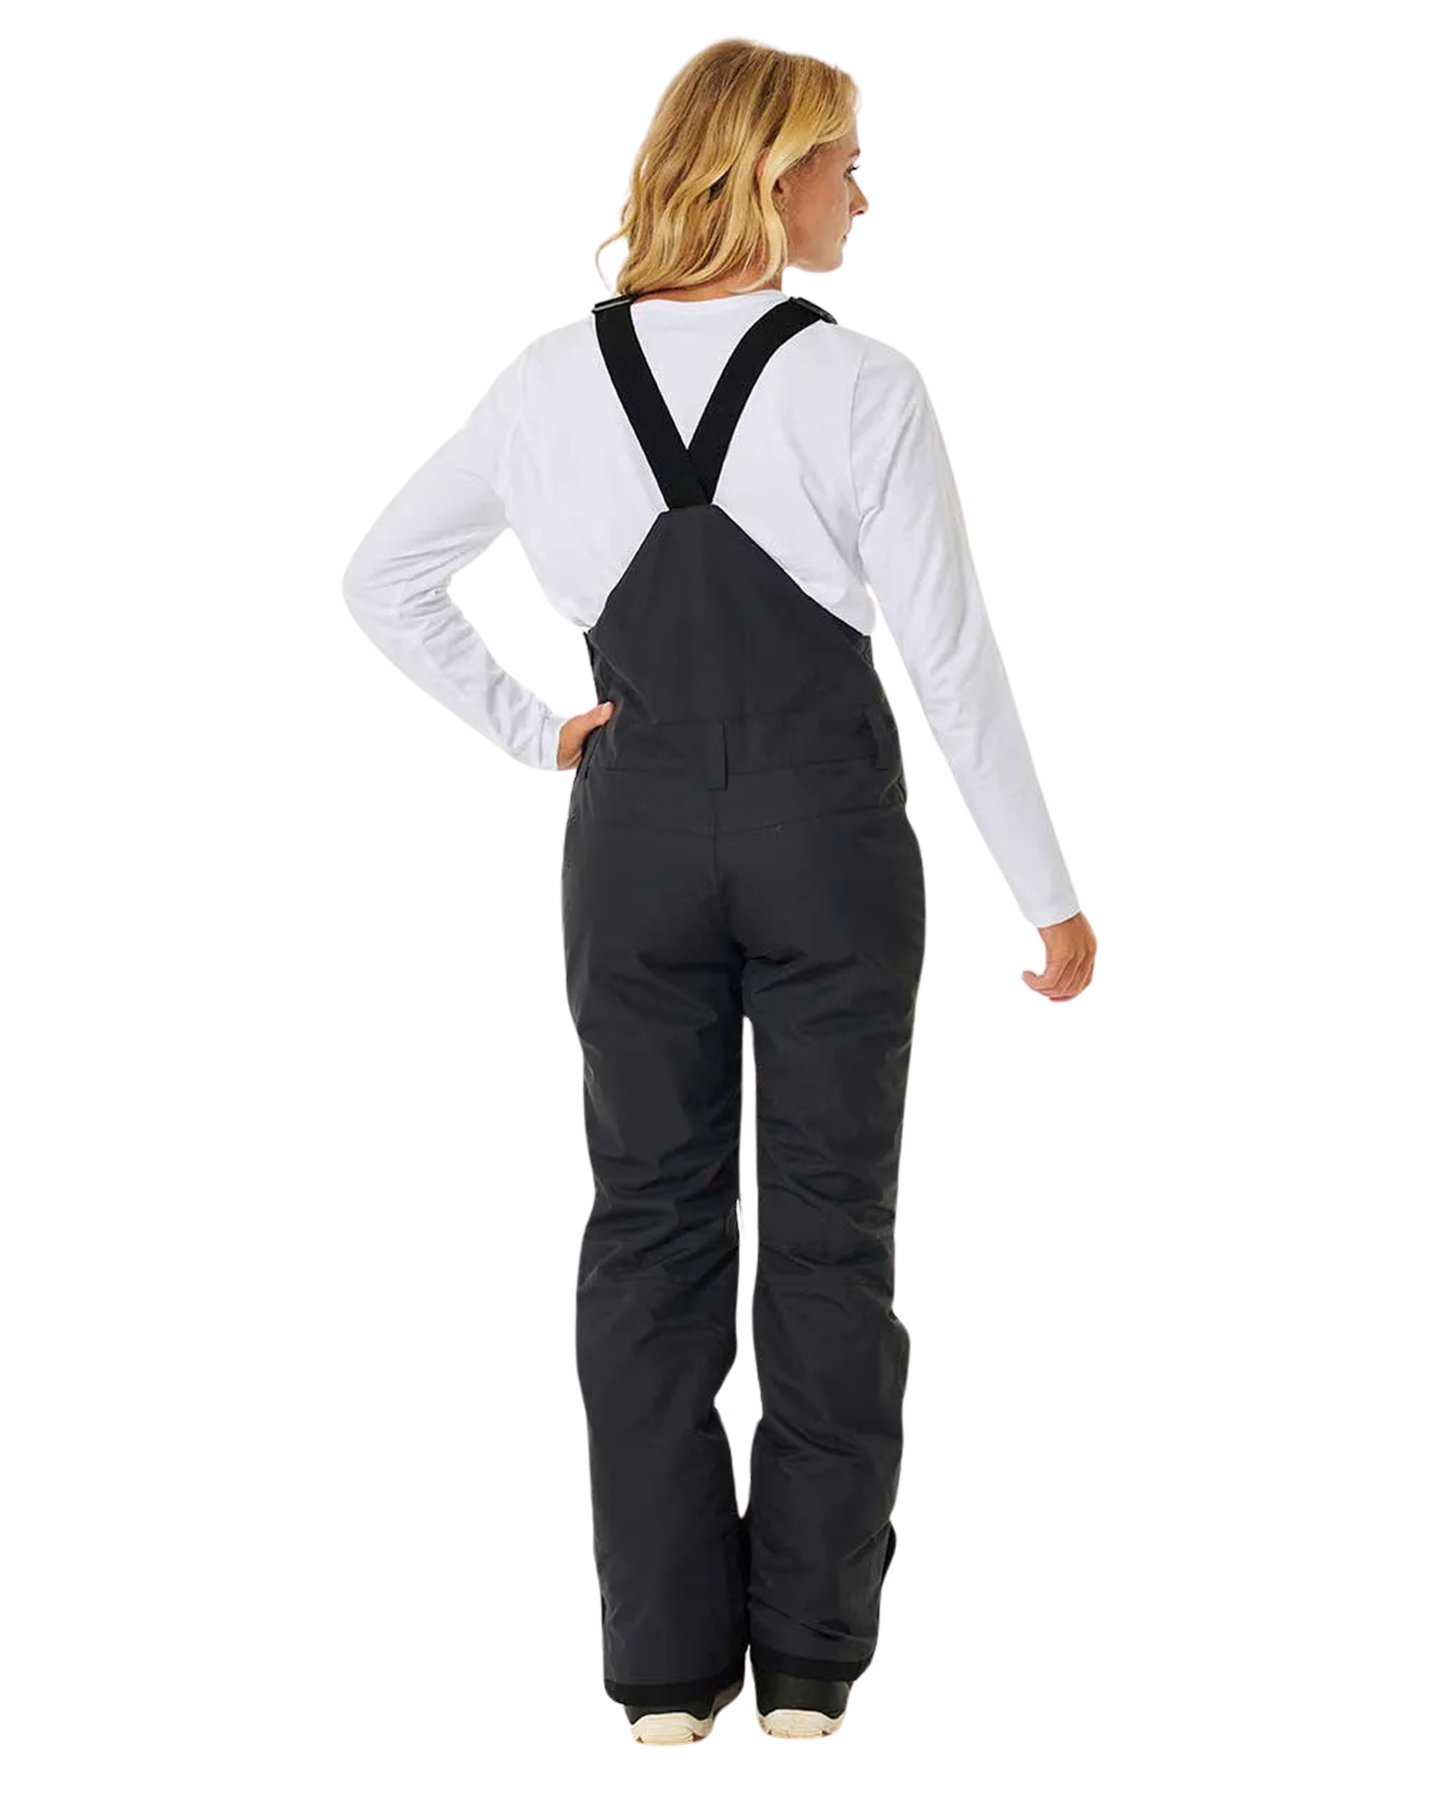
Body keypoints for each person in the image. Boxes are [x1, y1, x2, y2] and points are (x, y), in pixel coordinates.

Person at [343, 41, 1096, 1749]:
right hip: (827, 838)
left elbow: (386, 575)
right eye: (845, 164)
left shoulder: (548, 380)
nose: (860, 199)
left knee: (647, 1226)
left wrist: (541, 724)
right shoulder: (859, 388)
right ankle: (812, 1671)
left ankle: (666, 1681)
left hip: (636, 838)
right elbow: (950, 666)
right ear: (770, 173)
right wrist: (1036, 895)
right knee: (832, 1232)